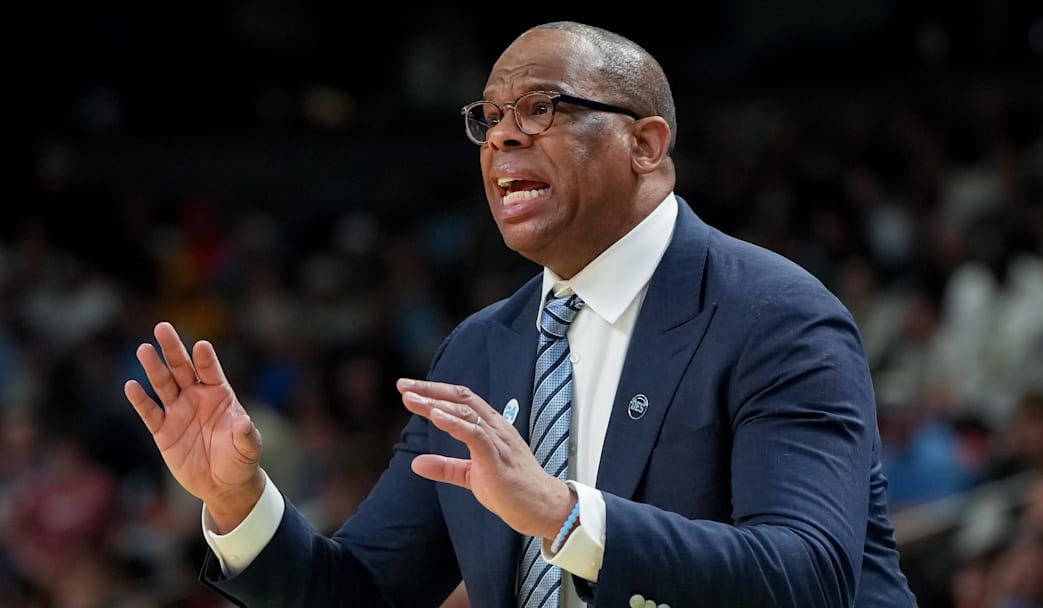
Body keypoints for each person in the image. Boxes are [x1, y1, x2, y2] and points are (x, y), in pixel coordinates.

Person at [123, 21, 919, 608]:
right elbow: (363, 595)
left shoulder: (774, 315)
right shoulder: (479, 351)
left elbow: (807, 574)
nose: (503, 136)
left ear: (645, 143)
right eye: (489, 118)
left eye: (541, 108)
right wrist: (237, 499)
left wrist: (563, 514)